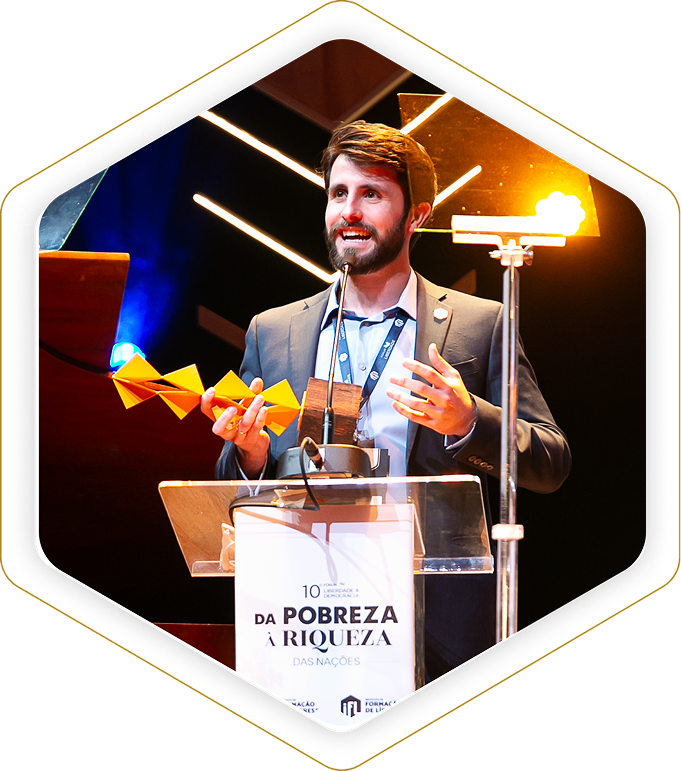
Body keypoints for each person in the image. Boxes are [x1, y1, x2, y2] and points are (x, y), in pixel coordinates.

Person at [201, 121, 571, 676]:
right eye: (338, 193)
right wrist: (250, 455)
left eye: (371, 194)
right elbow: (236, 489)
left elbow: (550, 460)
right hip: (302, 616)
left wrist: (469, 420)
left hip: (437, 628)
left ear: (416, 215)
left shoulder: (481, 324)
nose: (349, 211)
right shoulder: (273, 331)